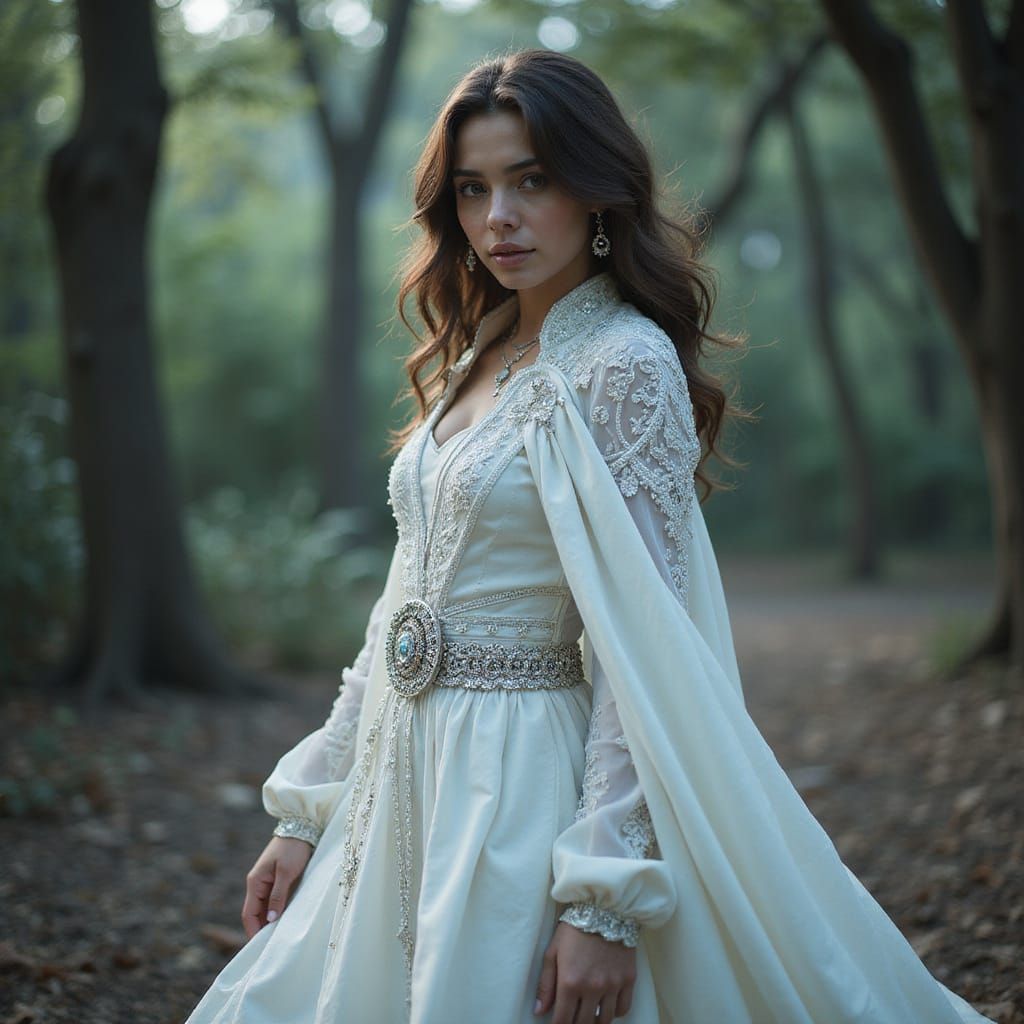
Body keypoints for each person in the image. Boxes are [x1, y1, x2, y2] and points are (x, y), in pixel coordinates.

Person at [186, 49, 994, 1024]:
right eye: (475, 190)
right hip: (400, 776)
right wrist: (307, 806)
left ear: (598, 190)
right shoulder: (473, 354)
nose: (499, 219)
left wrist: (602, 896)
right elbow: (402, 607)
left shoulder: (622, 363)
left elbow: (642, 652)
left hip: (518, 778)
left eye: (533, 180)